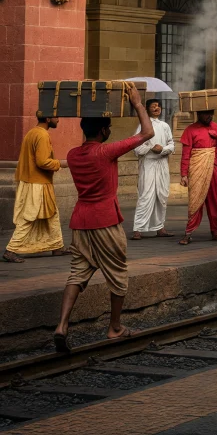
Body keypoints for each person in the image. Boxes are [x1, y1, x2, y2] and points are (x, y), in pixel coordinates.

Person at [54, 83, 154, 352]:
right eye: (107, 127)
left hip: (80, 221)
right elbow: (148, 132)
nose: (110, 131)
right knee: (118, 275)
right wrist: (136, 103)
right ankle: (115, 327)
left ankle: (62, 326)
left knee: (77, 273)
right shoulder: (105, 151)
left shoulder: (73, 154)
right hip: (105, 220)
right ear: (102, 131)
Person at [6, 114, 66, 262]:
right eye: (56, 117)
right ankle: (11, 250)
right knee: (29, 216)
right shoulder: (42, 135)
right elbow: (43, 162)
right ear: (47, 119)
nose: (58, 120)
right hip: (36, 183)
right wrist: (60, 164)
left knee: (52, 214)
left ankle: (57, 246)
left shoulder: (33, 132)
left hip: (33, 181)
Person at [180, 108, 217, 244]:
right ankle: (188, 233)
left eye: (211, 113)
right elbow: (185, 154)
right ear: (198, 114)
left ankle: (215, 231)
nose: (209, 116)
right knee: (195, 199)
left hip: (214, 168)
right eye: (206, 113)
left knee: (216, 200)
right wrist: (184, 174)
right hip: (197, 168)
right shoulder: (190, 130)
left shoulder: (216, 127)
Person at [132, 99, 175, 239]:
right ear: (147, 109)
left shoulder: (164, 126)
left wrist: (162, 150)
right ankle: (138, 229)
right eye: (153, 106)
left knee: (162, 195)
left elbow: (172, 145)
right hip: (148, 163)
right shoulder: (143, 126)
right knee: (146, 195)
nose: (157, 108)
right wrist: (151, 148)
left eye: (158, 106)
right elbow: (136, 147)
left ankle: (160, 228)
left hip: (162, 164)